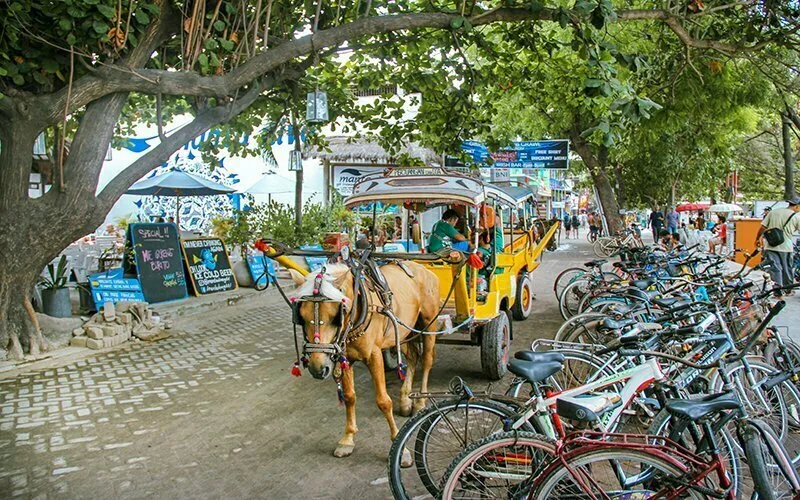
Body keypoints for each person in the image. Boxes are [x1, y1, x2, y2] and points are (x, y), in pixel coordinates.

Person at [756, 197, 800, 295]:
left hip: (770, 245)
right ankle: (788, 290)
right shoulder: (796, 216)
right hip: (786, 247)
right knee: (786, 268)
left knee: (775, 268)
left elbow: (763, 227)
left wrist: (757, 239)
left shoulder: (773, 212)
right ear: (797, 206)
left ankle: (777, 292)